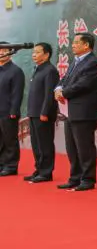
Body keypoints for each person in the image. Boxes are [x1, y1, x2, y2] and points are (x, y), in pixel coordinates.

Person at [54, 33, 97, 191]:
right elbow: (65, 79)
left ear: (86, 45)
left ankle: (88, 179)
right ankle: (75, 177)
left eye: (76, 42)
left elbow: (84, 85)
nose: (72, 45)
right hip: (70, 111)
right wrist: (58, 89)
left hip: (84, 112)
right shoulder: (75, 61)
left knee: (84, 147)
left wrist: (64, 93)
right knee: (72, 147)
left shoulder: (93, 63)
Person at [25, 43, 59, 183]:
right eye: (33, 52)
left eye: (38, 52)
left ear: (46, 55)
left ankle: (46, 172)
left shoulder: (50, 71)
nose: (34, 54)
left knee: (45, 143)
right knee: (36, 144)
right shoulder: (38, 69)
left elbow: (49, 94)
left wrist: (44, 112)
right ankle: (39, 169)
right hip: (34, 112)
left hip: (43, 114)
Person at [0, 43, 26, 177]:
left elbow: (17, 94)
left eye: (3, 50)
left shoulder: (16, 71)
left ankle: (11, 166)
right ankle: (1, 164)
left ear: (10, 52)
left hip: (8, 112)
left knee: (9, 139)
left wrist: (14, 111)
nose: (0, 53)